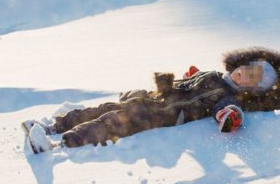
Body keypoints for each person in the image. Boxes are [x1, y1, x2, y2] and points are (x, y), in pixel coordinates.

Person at [23, 47, 280, 154]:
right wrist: (191, 77)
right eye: (246, 69)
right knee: (104, 107)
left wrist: (230, 116)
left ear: (253, 90)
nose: (242, 75)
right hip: (153, 100)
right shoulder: (214, 75)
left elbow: (225, 110)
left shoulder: (227, 96)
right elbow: (191, 86)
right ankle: (53, 127)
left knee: (111, 121)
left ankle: (61, 145)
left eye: (250, 79)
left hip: (164, 114)